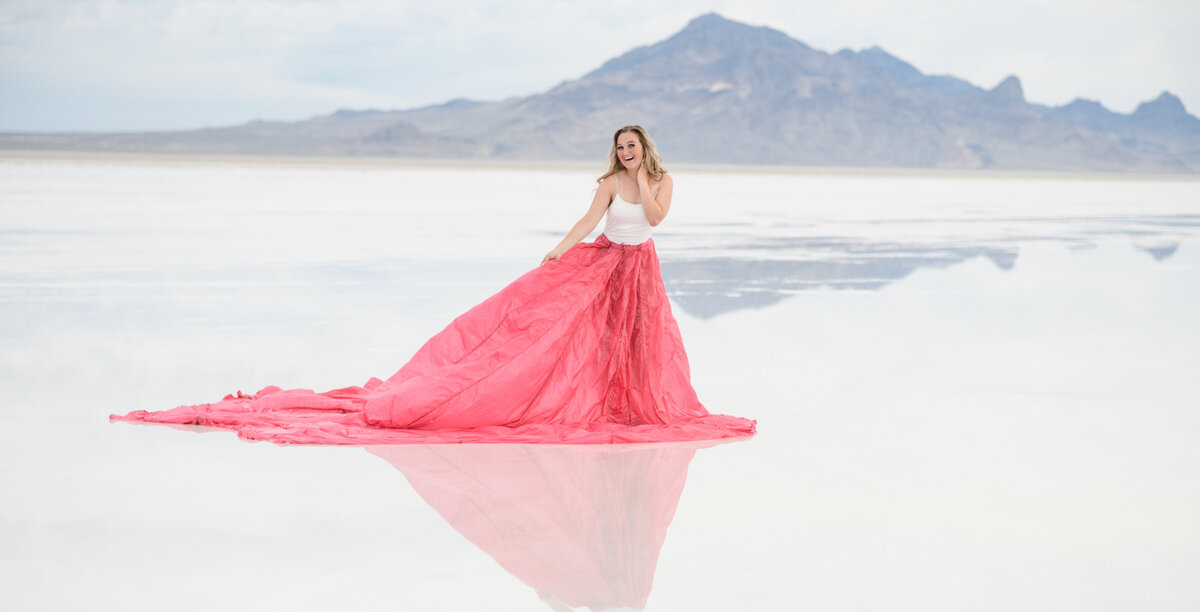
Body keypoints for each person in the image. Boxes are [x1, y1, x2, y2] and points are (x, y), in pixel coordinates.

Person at [112, 125, 755, 445]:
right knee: (564, 339)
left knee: (636, 345)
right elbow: (588, 222)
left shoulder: (658, 182)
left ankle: (629, 403)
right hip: (601, 264)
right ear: (613, 153)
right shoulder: (606, 184)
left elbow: (660, 219)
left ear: (645, 149)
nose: (624, 153)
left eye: (632, 146)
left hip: (641, 272)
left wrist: (644, 180)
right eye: (619, 148)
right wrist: (558, 253)